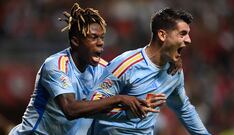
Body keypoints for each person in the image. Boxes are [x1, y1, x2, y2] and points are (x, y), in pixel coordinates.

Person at [8, 3, 167, 135]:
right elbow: (70, 110)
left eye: (102, 38)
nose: (100, 43)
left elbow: (108, 107)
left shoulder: (104, 69)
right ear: (76, 41)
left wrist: (138, 103)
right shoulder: (56, 65)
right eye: (93, 37)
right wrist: (120, 99)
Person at [89, 8, 211, 135]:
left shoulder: (173, 72)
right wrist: (129, 112)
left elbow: (183, 108)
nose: (188, 40)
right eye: (182, 34)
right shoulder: (126, 65)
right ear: (162, 35)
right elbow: (92, 108)